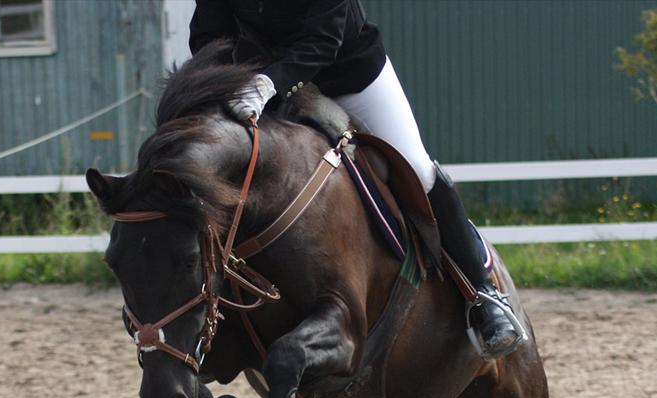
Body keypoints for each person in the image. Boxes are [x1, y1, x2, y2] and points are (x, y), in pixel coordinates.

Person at [190, 0, 524, 359]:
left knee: (416, 167)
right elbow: (209, 36)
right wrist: (223, 84)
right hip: (262, 85)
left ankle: (484, 294)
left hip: (349, 75)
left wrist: (269, 83)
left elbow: (322, 39)